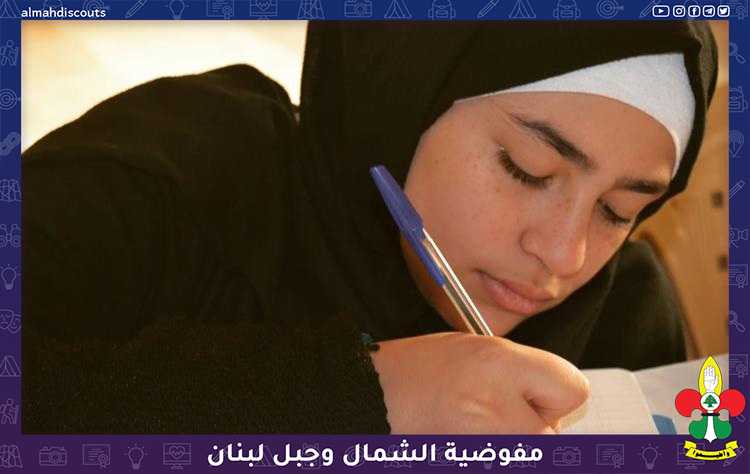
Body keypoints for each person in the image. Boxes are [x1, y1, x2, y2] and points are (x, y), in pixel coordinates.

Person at [22, 21, 718, 434]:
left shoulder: (625, 316)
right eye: (527, 168)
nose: (565, 256)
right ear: (399, 90)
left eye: (618, 210)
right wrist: (362, 394)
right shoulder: (166, 176)